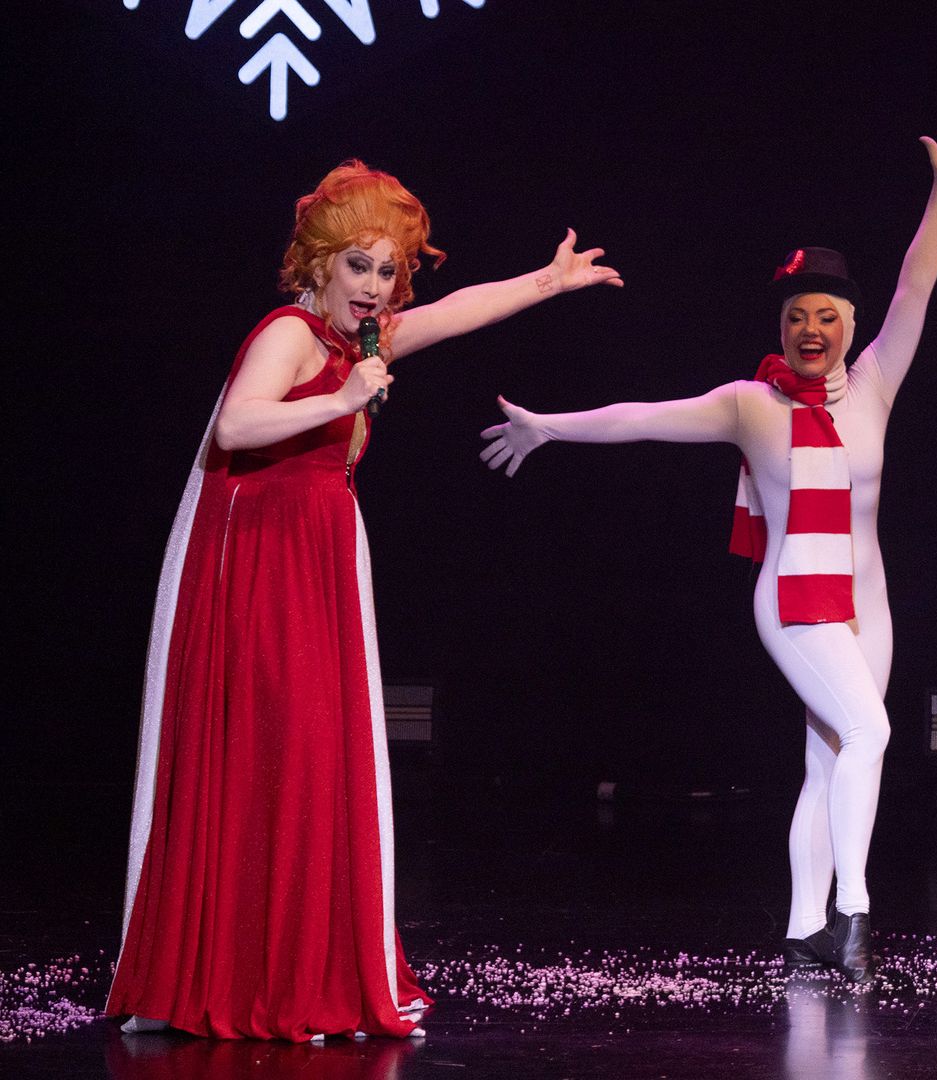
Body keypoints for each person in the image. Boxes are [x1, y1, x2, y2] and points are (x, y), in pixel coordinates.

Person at [109, 160, 622, 1041]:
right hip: (262, 564)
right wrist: (341, 400)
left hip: (318, 555)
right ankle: (228, 973)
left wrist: (549, 281)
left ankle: (296, 964)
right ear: (318, 265)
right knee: (281, 750)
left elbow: (452, 316)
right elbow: (236, 425)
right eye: (360, 267)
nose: (377, 288)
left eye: (389, 271)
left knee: (316, 759)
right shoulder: (290, 332)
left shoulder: (364, 341)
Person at [479, 118, 937, 983]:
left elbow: (917, 287)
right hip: (794, 597)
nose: (810, 329)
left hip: (867, 598)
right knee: (870, 729)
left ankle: (803, 930)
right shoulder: (751, 406)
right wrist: (548, 429)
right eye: (797, 317)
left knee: (829, 759)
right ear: (782, 325)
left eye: (826, 316)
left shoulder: (874, 385)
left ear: (848, 323)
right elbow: (638, 419)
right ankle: (855, 914)